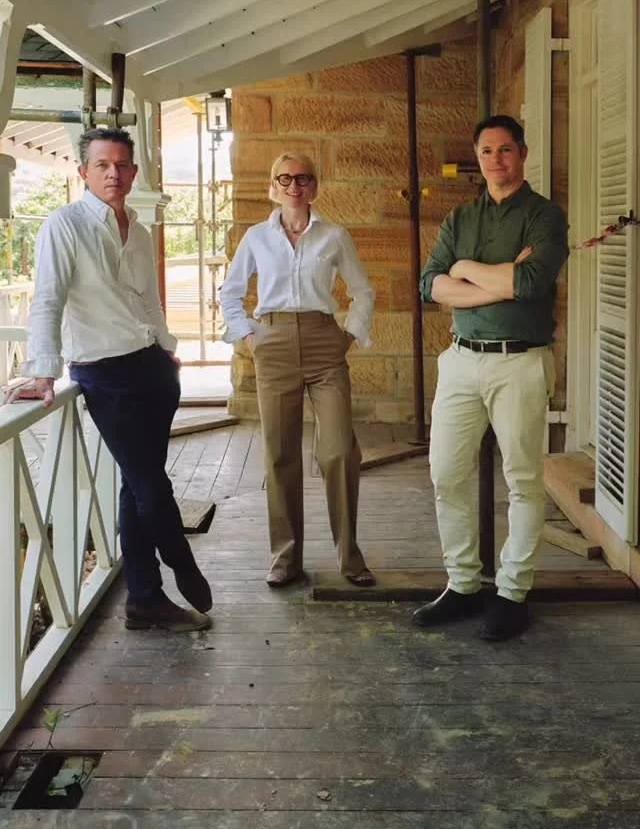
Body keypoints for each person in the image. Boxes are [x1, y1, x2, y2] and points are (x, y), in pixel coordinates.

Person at [6, 128, 212, 633]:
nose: (112, 174)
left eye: (121, 165)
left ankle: (143, 598)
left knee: (136, 486)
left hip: (152, 369)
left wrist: (166, 347)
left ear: (134, 172)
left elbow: (149, 300)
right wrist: (43, 370)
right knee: (150, 483)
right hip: (103, 373)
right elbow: (48, 299)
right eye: (101, 165)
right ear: (84, 172)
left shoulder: (137, 231)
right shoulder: (65, 224)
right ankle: (180, 559)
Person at [414, 115, 568, 640]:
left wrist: (464, 269)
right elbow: (430, 284)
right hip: (461, 360)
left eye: (505, 149)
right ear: (477, 158)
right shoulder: (460, 218)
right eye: (486, 151)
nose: (496, 159)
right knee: (445, 474)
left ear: (522, 153)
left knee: (522, 479)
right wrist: (498, 281)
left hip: (519, 362)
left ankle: (511, 592)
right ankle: (462, 585)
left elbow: (531, 282)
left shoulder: (545, 216)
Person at [220, 151, 376, 588]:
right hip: (273, 343)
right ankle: (286, 558)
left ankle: (350, 557)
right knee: (280, 452)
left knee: (339, 450)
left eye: (303, 178)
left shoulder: (334, 235)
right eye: (284, 178)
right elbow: (230, 292)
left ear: (315, 186)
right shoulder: (256, 237)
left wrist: (348, 335)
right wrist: (250, 338)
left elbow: (363, 291)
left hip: (324, 341)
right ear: (273, 186)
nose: (294, 186)